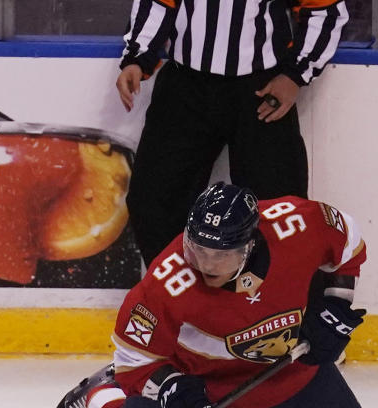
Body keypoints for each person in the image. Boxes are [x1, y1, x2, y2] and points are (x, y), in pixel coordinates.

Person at [54, 182, 370, 408]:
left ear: (250, 245)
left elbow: (348, 241)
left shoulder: (297, 223)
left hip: (285, 367)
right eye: (197, 250)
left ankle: (265, 407)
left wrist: (335, 306)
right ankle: (103, 394)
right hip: (199, 382)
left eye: (220, 255)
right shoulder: (165, 284)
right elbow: (133, 359)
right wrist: (174, 392)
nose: (205, 265)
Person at [116, 0, 349, 266]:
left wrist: (295, 74)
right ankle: (182, 296)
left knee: (279, 209)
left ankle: (269, 301)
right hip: (185, 86)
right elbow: (156, 4)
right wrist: (136, 58)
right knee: (154, 199)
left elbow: (326, 11)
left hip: (261, 89)